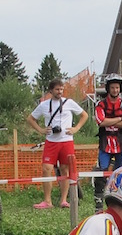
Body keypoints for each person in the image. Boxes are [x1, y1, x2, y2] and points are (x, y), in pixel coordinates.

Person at [27, 79, 87, 209]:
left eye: (61, 89)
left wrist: (76, 128)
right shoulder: (44, 105)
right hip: (51, 142)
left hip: (66, 141)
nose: (60, 92)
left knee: (65, 170)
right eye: (57, 89)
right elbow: (30, 118)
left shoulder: (69, 103)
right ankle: (47, 201)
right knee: (46, 169)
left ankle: (64, 200)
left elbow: (84, 115)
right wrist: (41, 130)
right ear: (51, 91)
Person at [93, 73, 122, 212]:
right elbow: (100, 121)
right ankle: (99, 204)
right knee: (102, 172)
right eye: (112, 87)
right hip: (105, 142)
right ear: (108, 88)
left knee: (120, 173)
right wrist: (118, 119)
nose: (115, 90)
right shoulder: (101, 104)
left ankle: (119, 203)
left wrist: (110, 121)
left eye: (117, 88)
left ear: (120, 88)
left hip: (121, 142)